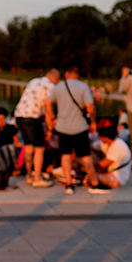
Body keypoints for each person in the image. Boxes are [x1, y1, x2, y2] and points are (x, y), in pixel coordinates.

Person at [45, 65, 103, 195]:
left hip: (62, 127)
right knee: (85, 156)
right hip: (79, 127)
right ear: (77, 74)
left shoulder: (59, 87)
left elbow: (47, 103)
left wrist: (53, 119)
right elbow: (90, 108)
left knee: (65, 155)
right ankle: (94, 183)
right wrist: (93, 121)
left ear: (66, 74)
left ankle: (69, 184)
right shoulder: (83, 87)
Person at [14, 69, 60, 187]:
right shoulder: (50, 86)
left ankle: (29, 175)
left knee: (28, 146)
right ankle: (37, 178)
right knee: (39, 148)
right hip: (33, 117)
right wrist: (50, 127)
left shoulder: (33, 81)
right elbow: (48, 108)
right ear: (56, 79)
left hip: (19, 115)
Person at [90, 120, 132, 192]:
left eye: (100, 136)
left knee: (92, 178)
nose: (99, 138)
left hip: (118, 178)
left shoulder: (118, 146)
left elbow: (103, 164)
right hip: (110, 172)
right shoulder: (107, 143)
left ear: (105, 137)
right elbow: (93, 147)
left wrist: (88, 166)